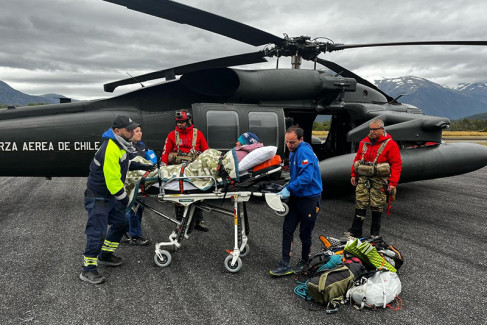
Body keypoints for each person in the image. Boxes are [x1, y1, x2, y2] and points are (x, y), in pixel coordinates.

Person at [80, 116, 155, 285]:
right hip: (99, 196)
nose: (131, 132)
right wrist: (124, 199)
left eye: (132, 129)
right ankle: (88, 269)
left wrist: (143, 166)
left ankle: (105, 255)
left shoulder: (120, 145)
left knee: (121, 223)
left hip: (108, 196)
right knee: (97, 231)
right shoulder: (110, 148)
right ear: (117, 131)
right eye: (128, 130)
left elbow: (125, 164)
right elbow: (113, 181)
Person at [270, 126, 323, 276]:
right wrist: (288, 186)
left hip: (309, 199)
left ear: (301, 139)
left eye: (292, 142)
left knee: (305, 233)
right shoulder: (294, 152)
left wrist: (290, 187)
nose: (289, 145)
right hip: (296, 196)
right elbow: (297, 175)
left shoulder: (304, 152)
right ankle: (284, 263)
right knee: (287, 229)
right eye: (287, 142)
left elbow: (306, 177)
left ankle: (305, 261)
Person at [344, 118, 402, 239]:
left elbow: (396, 164)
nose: (372, 131)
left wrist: (393, 183)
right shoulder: (364, 143)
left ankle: (375, 234)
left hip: (379, 180)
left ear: (382, 129)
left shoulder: (390, 144)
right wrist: (353, 174)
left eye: (375, 129)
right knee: (360, 203)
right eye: (370, 129)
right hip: (364, 179)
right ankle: (356, 231)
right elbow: (358, 159)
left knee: (377, 205)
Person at [161, 109, 210, 232]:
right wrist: (163, 167)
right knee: (179, 195)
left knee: (198, 194)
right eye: (178, 122)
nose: (179, 124)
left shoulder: (198, 134)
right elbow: (165, 152)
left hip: (194, 170)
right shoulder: (172, 135)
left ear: (188, 121)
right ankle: (180, 222)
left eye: (182, 122)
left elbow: (206, 151)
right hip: (178, 171)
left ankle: (199, 220)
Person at [122, 126, 152, 246]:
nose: (140, 133)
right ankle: (135, 236)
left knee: (138, 207)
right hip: (132, 182)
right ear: (130, 133)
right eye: (137, 131)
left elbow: (151, 158)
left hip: (142, 181)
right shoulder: (126, 148)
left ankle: (125, 231)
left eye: (140, 130)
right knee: (135, 208)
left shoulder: (142, 145)